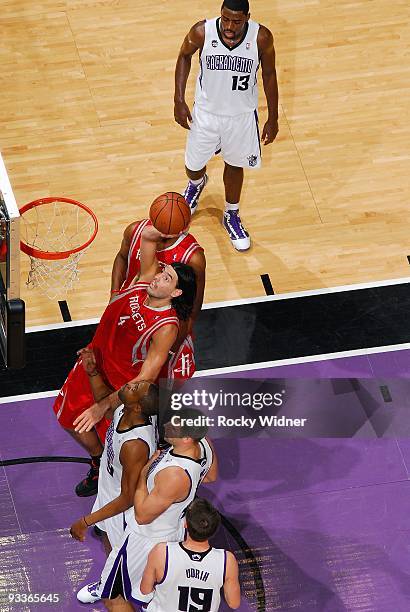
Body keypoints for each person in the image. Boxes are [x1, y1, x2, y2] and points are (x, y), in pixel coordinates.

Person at [53, 225, 197, 497]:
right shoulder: (143, 280)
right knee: (67, 418)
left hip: (120, 388)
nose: (159, 278)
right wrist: (168, 223)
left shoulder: (167, 327)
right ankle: (96, 461)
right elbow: (149, 236)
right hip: (93, 364)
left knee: (122, 456)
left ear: (176, 293)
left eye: (167, 279)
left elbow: (144, 379)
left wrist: (103, 405)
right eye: (162, 272)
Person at [77, 410, 218, 609]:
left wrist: (143, 476)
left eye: (175, 426)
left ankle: (109, 586)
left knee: (112, 595)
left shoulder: (175, 474)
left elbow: (142, 515)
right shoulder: (203, 443)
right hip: (172, 528)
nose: (167, 426)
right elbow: (211, 476)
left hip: (147, 537)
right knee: (151, 584)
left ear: (187, 438)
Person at [174, 0, 279, 251]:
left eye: (237, 21)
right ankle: (197, 185)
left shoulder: (261, 38)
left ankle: (231, 214)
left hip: (240, 117)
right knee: (193, 166)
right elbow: (184, 56)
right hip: (206, 114)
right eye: (226, 19)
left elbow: (270, 75)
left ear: (247, 17)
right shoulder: (203, 31)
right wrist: (179, 100)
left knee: (235, 165)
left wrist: (273, 117)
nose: (230, 26)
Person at [69, 361, 158, 557]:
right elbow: (107, 408)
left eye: (135, 387)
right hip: (108, 488)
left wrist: (86, 521)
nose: (132, 383)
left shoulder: (135, 445)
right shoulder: (126, 410)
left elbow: (127, 498)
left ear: (136, 407)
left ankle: (117, 586)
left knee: (120, 559)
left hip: (121, 507)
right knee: (107, 540)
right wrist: (93, 374)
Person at [111, 215, 206, 381]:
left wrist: (172, 350)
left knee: (158, 392)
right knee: (115, 376)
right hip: (131, 313)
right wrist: (114, 297)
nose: (158, 277)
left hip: (162, 326)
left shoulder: (193, 257)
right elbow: (121, 258)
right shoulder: (135, 231)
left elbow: (191, 310)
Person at [140, 498, 241, 611]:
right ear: (214, 530)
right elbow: (234, 603)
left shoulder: (161, 552)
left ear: (185, 524)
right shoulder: (227, 560)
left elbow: (145, 590)